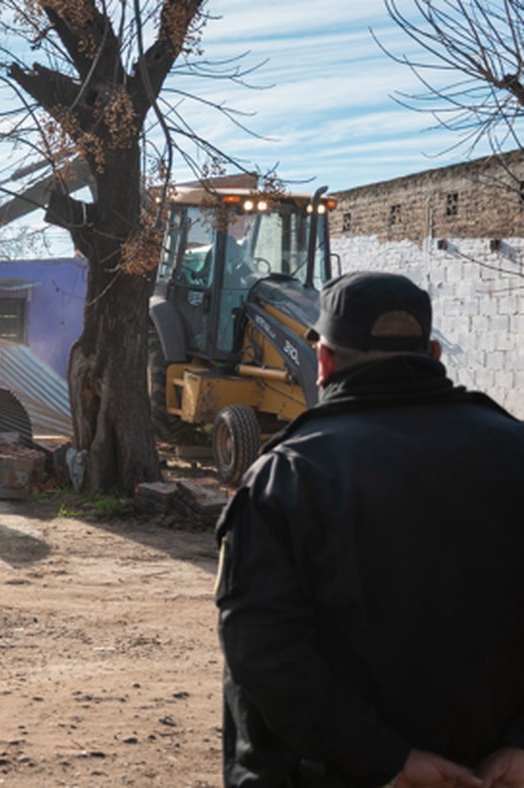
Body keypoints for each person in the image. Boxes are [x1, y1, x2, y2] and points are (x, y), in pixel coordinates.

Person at [215, 271, 524, 787]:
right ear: (433, 354)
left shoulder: (287, 476)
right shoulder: (515, 451)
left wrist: (389, 759)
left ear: (324, 361)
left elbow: (264, 651)